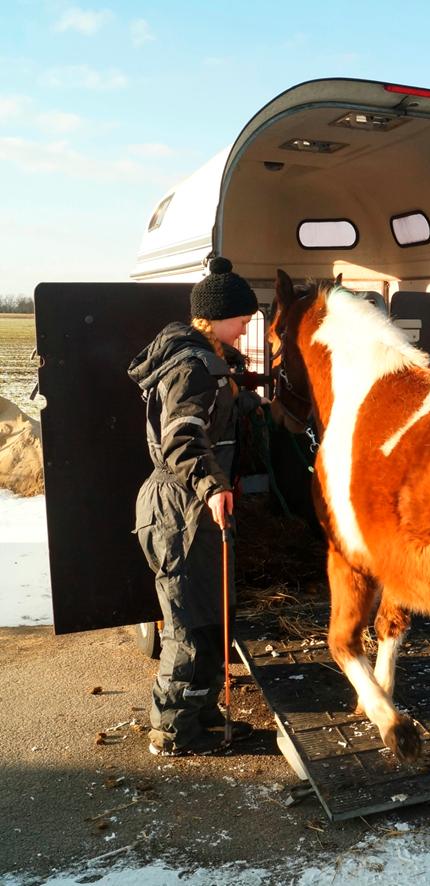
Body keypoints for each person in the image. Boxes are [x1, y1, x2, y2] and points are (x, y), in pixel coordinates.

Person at [128, 256, 263, 757]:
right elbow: (182, 436)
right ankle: (173, 732)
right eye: (244, 316)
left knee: (209, 617)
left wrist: (255, 405)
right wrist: (211, 487)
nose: (249, 324)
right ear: (218, 314)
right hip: (179, 509)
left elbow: (212, 416)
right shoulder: (191, 365)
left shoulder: (208, 359)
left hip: (192, 506)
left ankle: (203, 714)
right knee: (187, 626)